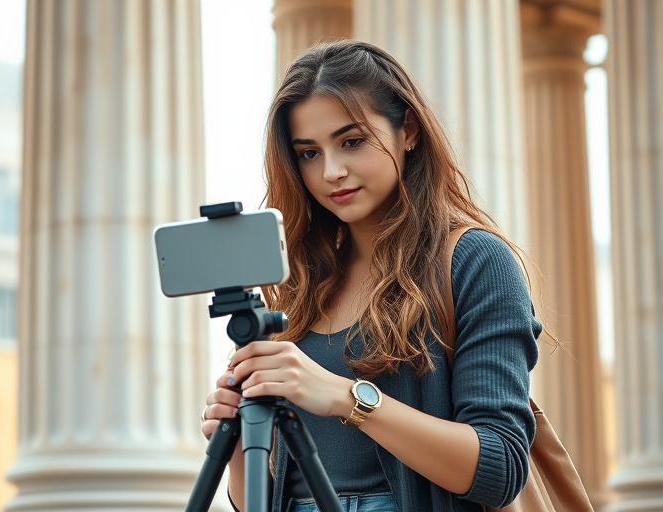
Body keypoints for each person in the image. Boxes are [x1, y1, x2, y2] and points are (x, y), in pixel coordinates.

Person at [200, 39, 543, 512]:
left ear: (409, 131)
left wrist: (346, 398)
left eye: (352, 141)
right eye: (308, 153)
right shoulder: (299, 279)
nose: (331, 172)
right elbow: (256, 500)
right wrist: (238, 441)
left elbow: (498, 468)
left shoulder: (474, 261)